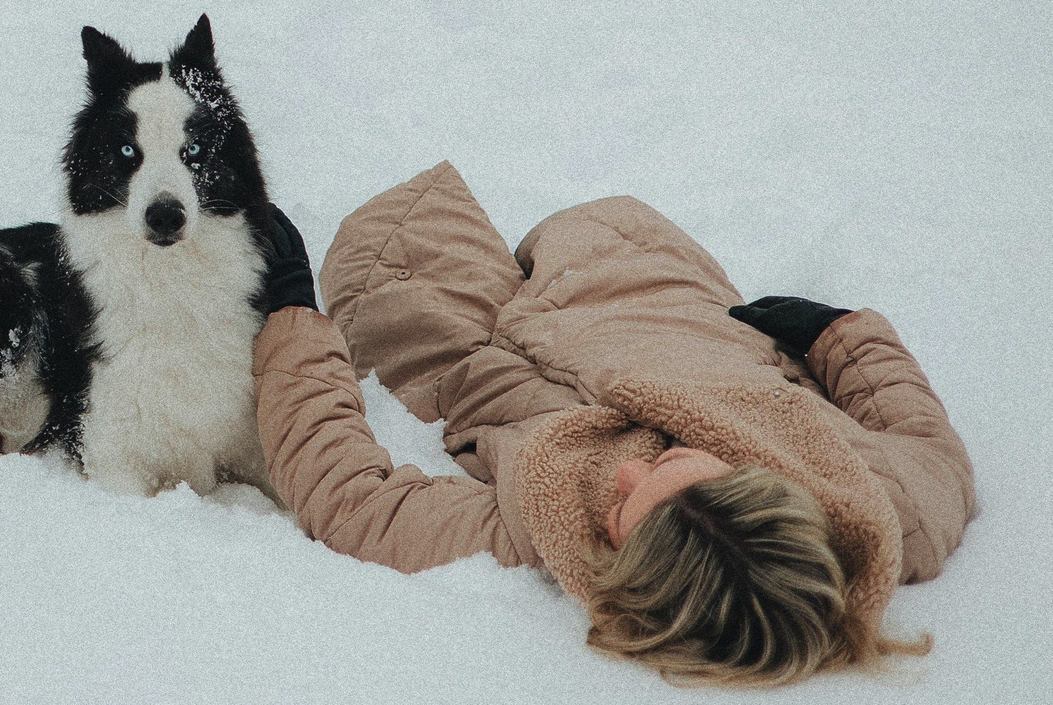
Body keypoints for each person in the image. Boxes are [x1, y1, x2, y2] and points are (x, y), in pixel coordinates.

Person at [246, 161, 976, 686]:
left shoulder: (535, 529)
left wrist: (292, 321)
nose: (630, 470)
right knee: (601, 235)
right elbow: (929, 445)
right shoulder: (890, 511)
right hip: (639, 302)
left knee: (385, 243)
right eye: (687, 460)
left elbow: (355, 499)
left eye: (627, 506)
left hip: (481, 354)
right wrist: (840, 335)